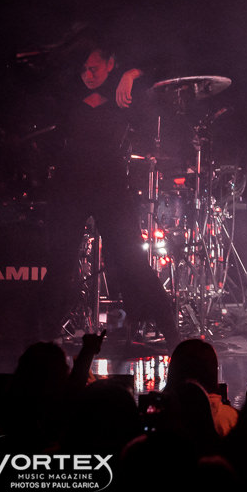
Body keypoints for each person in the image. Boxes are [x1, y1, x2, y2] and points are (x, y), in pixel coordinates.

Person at [39, 30, 178, 350]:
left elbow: (167, 66)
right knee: (59, 264)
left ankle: (173, 336)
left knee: (133, 262)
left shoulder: (124, 92)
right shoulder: (67, 90)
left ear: (111, 64)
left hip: (110, 186)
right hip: (68, 185)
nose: (87, 75)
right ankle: (45, 339)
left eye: (95, 69)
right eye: (83, 69)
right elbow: (45, 74)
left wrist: (131, 73)